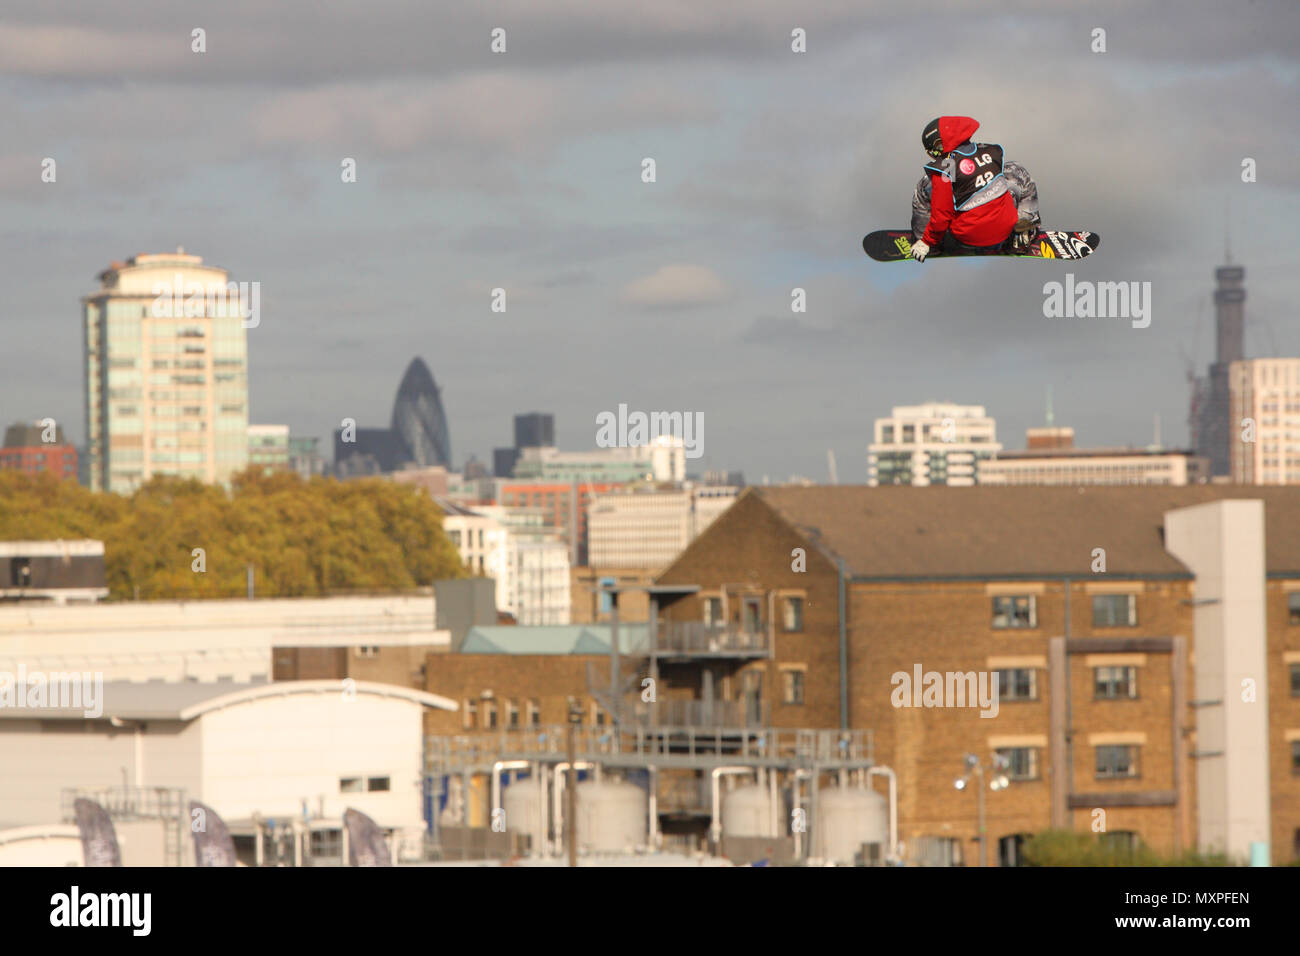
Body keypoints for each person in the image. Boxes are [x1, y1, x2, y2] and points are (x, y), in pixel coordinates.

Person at [909, 116, 1040, 261]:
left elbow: (941, 215)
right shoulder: (990, 151)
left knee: (924, 185)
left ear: (941, 144)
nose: (934, 157)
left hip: (966, 238)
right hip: (1004, 229)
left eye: (934, 151)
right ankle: (1022, 234)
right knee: (1015, 170)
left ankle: (927, 244)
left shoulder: (945, 168)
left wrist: (928, 241)